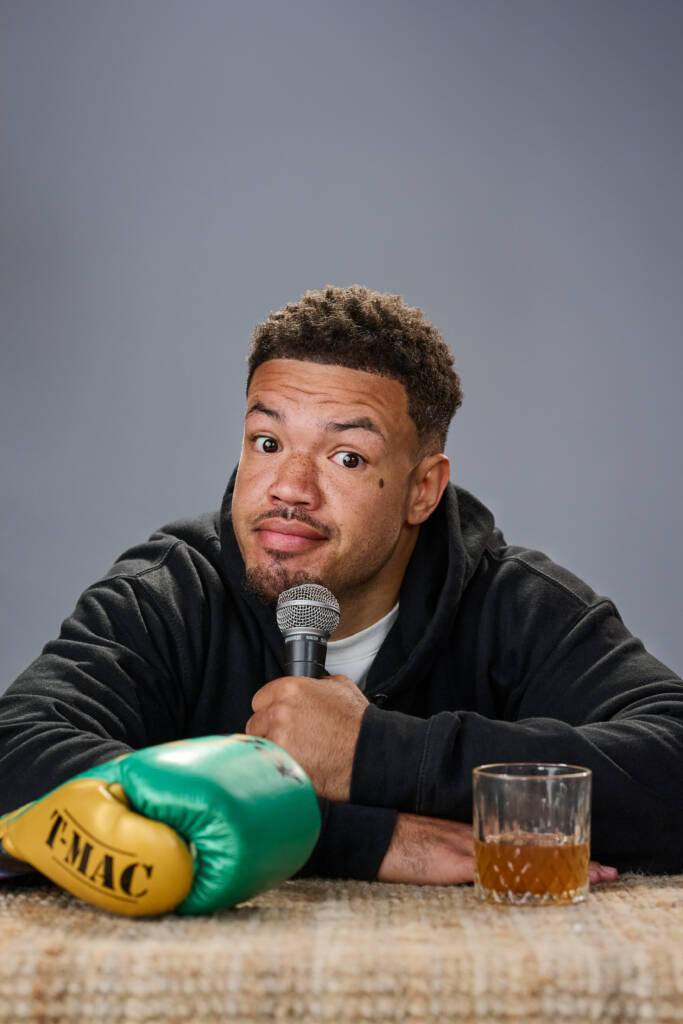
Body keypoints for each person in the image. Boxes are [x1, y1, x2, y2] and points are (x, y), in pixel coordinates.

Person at [1, 284, 682, 885]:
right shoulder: (170, 593)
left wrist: (377, 754)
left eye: (346, 456)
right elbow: (16, 752)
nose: (289, 489)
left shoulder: (517, 605)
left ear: (422, 489)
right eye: (266, 443)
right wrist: (355, 836)